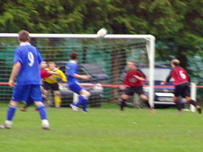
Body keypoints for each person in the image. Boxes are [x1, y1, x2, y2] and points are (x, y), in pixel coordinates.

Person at [0, 30, 49, 129]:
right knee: (38, 101)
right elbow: (42, 64)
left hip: (23, 80)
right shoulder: (34, 49)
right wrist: (34, 70)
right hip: (35, 80)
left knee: (14, 101)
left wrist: (11, 79)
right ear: (29, 38)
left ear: (18, 39)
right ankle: (45, 123)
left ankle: (8, 124)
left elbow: (17, 64)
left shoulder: (19, 49)